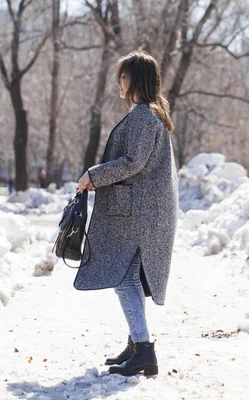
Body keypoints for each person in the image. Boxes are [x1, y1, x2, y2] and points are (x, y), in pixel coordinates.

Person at [75, 51, 178, 377]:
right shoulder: (146, 115)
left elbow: (134, 162)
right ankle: (137, 345)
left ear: (137, 79)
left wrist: (94, 174)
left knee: (124, 277)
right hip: (142, 211)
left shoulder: (145, 117)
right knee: (129, 277)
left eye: (124, 76)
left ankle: (144, 351)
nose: (119, 82)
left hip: (143, 214)